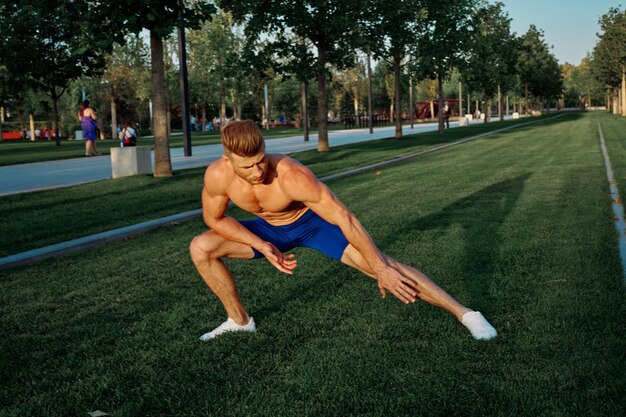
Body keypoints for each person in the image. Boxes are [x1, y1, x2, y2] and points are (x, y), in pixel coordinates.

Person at [190, 120, 497, 342]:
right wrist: (262, 244)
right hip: (268, 231)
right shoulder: (218, 176)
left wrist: (379, 268)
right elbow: (215, 219)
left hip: (313, 225)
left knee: (387, 268)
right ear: (228, 159)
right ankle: (240, 322)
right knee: (201, 247)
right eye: (247, 168)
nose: (258, 172)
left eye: (260, 162)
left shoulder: (293, 176)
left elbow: (344, 218)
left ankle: (466, 314)